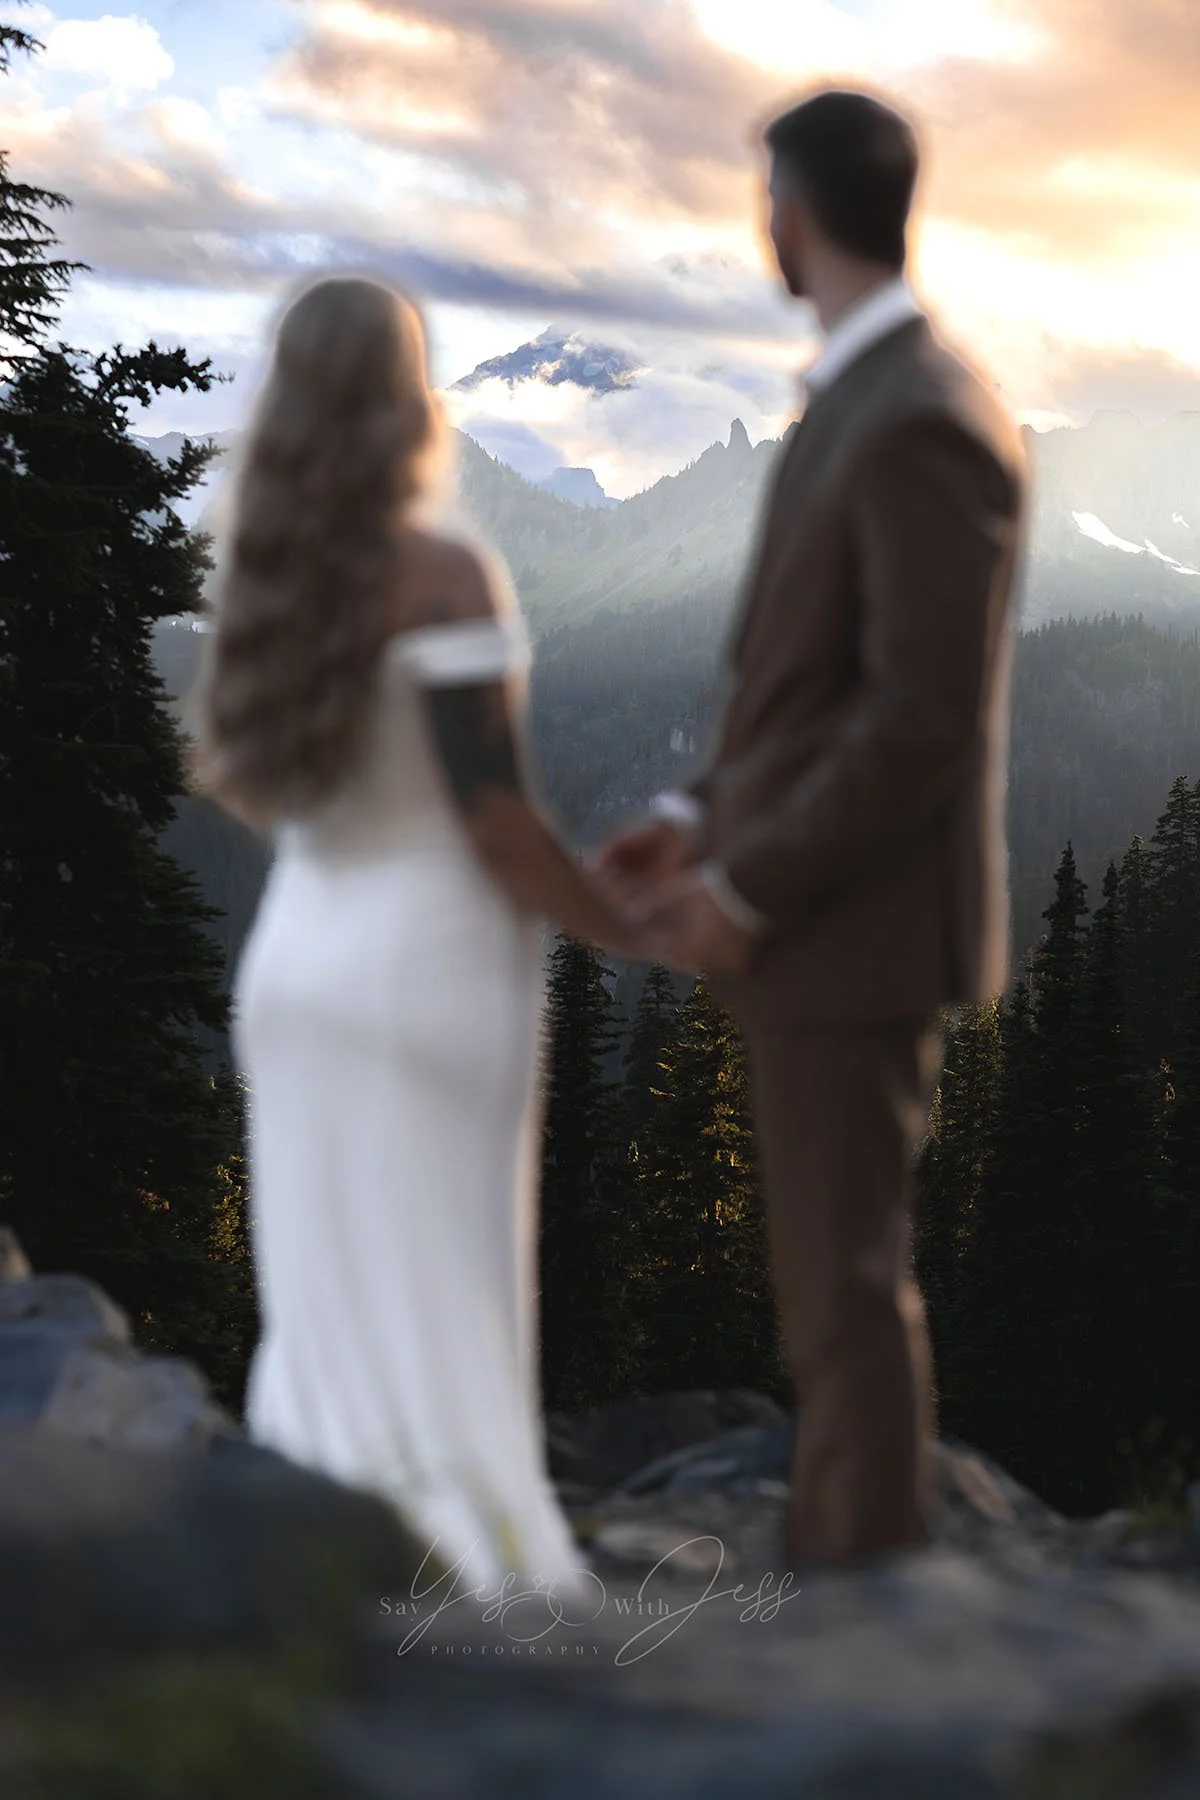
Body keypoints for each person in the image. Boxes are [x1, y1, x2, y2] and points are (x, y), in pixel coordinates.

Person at [597, 88, 1028, 1571]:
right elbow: (808, 685)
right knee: (825, 1296)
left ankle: (863, 1619)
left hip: (857, 932)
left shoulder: (916, 417)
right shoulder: (865, 394)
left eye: (761, 195)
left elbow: (917, 720)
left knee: (845, 1297)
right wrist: (687, 816)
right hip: (825, 917)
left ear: (789, 207)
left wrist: (749, 886)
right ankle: (851, 1588)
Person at [192, 275, 636, 1594]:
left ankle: (306, 1580)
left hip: (299, 964)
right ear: (408, 398)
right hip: (430, 963)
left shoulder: (263, 579)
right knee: (446, 1275)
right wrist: (618, 921)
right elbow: (495, 816)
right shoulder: (441, 572)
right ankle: (472, 1571)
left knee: (324, 1296)